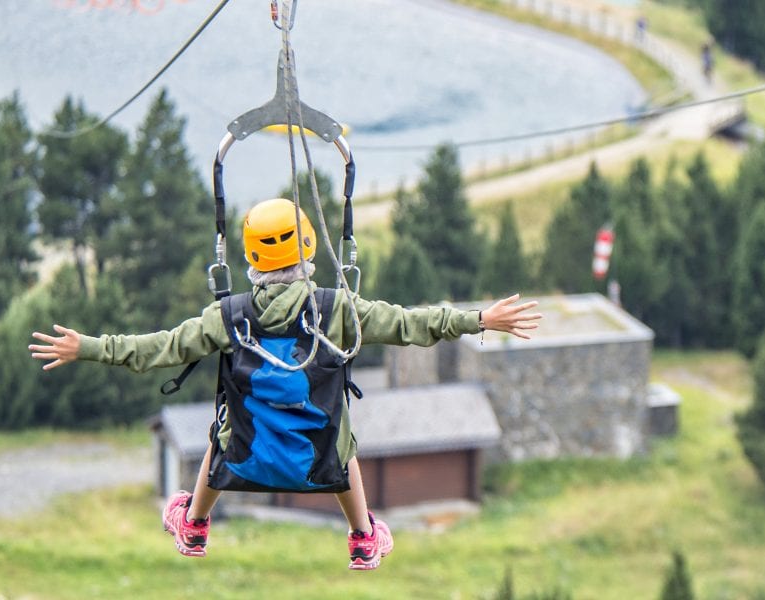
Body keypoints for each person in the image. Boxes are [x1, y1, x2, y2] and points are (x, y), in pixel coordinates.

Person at [27, 198, 541, 570]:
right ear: (308, 250)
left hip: (247, 453)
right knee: (343, 443)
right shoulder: (336, 311)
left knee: (222, 433)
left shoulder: (228, 316)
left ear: (251, 260)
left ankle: (195, 524)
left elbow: (155, 349)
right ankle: (363, 537)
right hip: (318, 457)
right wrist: (478, 318)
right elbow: (411, 324)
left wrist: (87, 347)